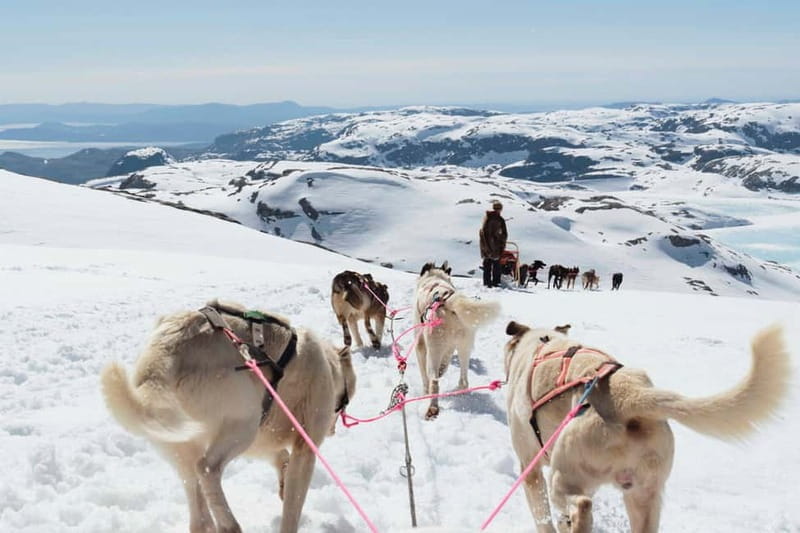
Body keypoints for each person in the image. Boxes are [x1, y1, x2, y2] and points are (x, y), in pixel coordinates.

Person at [479, 200, 508, 287]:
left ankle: (487, 283)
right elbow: (504, 234)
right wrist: (501, 240)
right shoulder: (500, 219)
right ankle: (496, 283)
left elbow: (483, 232)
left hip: (485, 245)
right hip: (496, 246)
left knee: (487, 265)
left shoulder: (487, 218)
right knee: (496, 266)